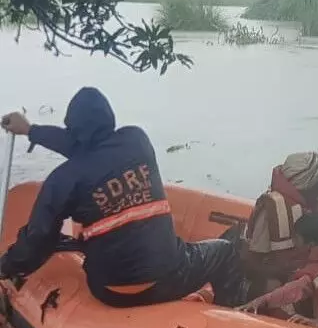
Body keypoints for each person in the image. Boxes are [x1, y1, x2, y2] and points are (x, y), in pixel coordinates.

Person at [0, 87, 245, 307]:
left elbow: (38, 237)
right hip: (171, 276)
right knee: (226, 250)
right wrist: (32, 131)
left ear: (71, 128)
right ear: (110, 119)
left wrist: (6, 267)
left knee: (51, 237)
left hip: (111, 291)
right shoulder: (137, 140)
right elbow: (91, 150)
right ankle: (232, 312)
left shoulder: (63, 180)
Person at [239, 212, 318, 320]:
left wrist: (261, 301)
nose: (294, 242)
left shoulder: (315, 271)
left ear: (310, 245)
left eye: (296, 239)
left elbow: (297, 289)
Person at [245, 151, 318, 293]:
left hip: (308, 273)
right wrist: (284, 272)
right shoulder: (271, 209)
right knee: (273, 285)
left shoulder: (317, 200)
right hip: (274, 277)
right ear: (305, 182)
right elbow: (251, 263)